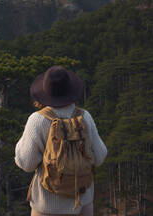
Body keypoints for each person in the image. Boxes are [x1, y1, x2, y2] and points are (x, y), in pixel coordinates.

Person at [15, 66, 107, 216]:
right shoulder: (84, 117)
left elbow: (26, 163)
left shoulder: (37, 120)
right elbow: (100, 157)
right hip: (82, 203)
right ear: (71, 91)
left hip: (47, 207)